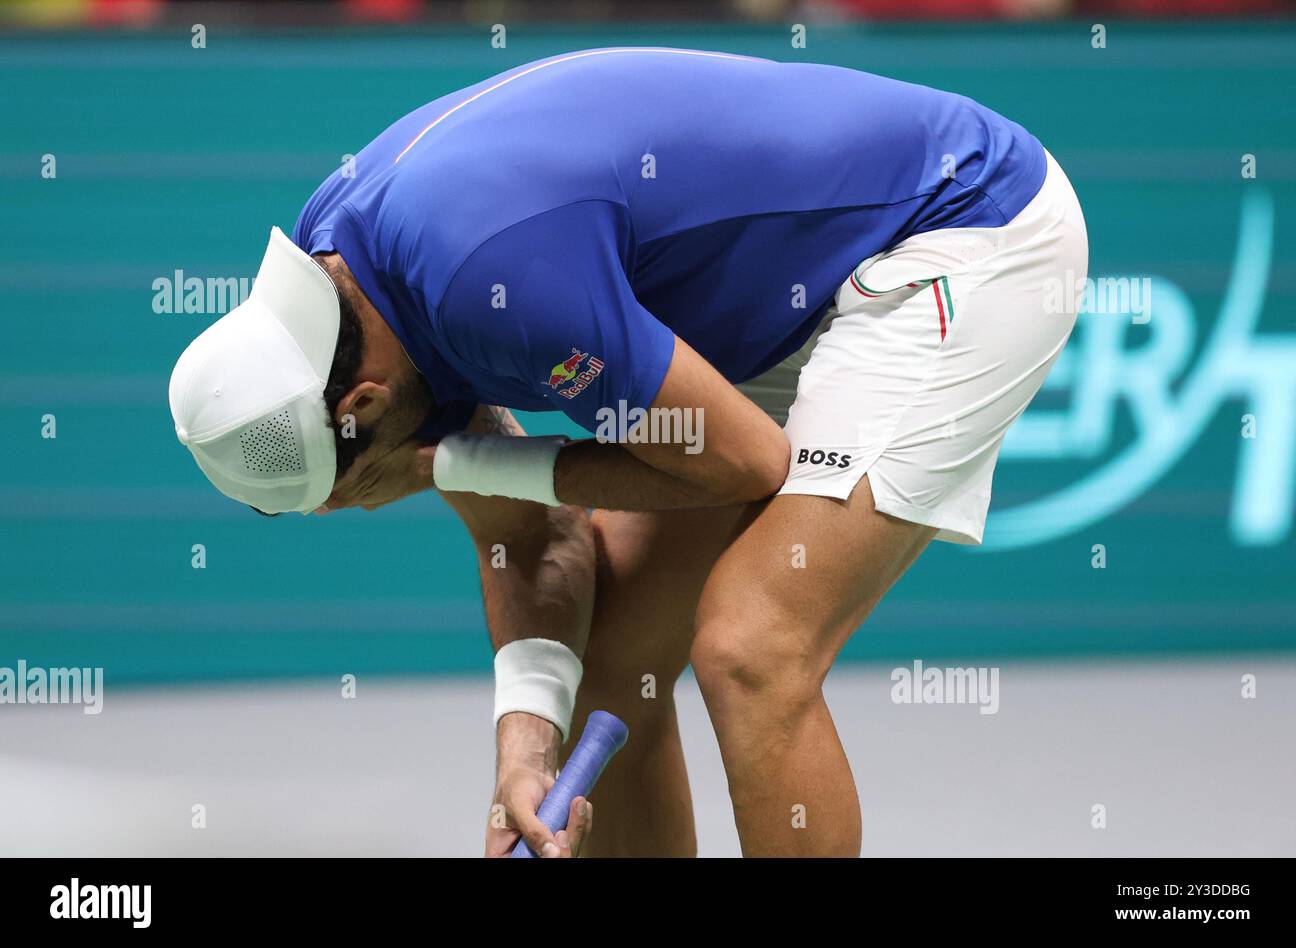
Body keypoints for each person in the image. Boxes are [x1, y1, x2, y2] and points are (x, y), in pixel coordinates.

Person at [168, 48, 1087, 856]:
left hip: (958, 229)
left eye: (345, 489)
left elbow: (747, 464)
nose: (357, 503)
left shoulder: (493, 285)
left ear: (362, 405)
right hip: (770, 299)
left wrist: (454, 463)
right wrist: (522, 756)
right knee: (614, 668)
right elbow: (532, 541)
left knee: (751, 647)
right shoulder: (335, 296)